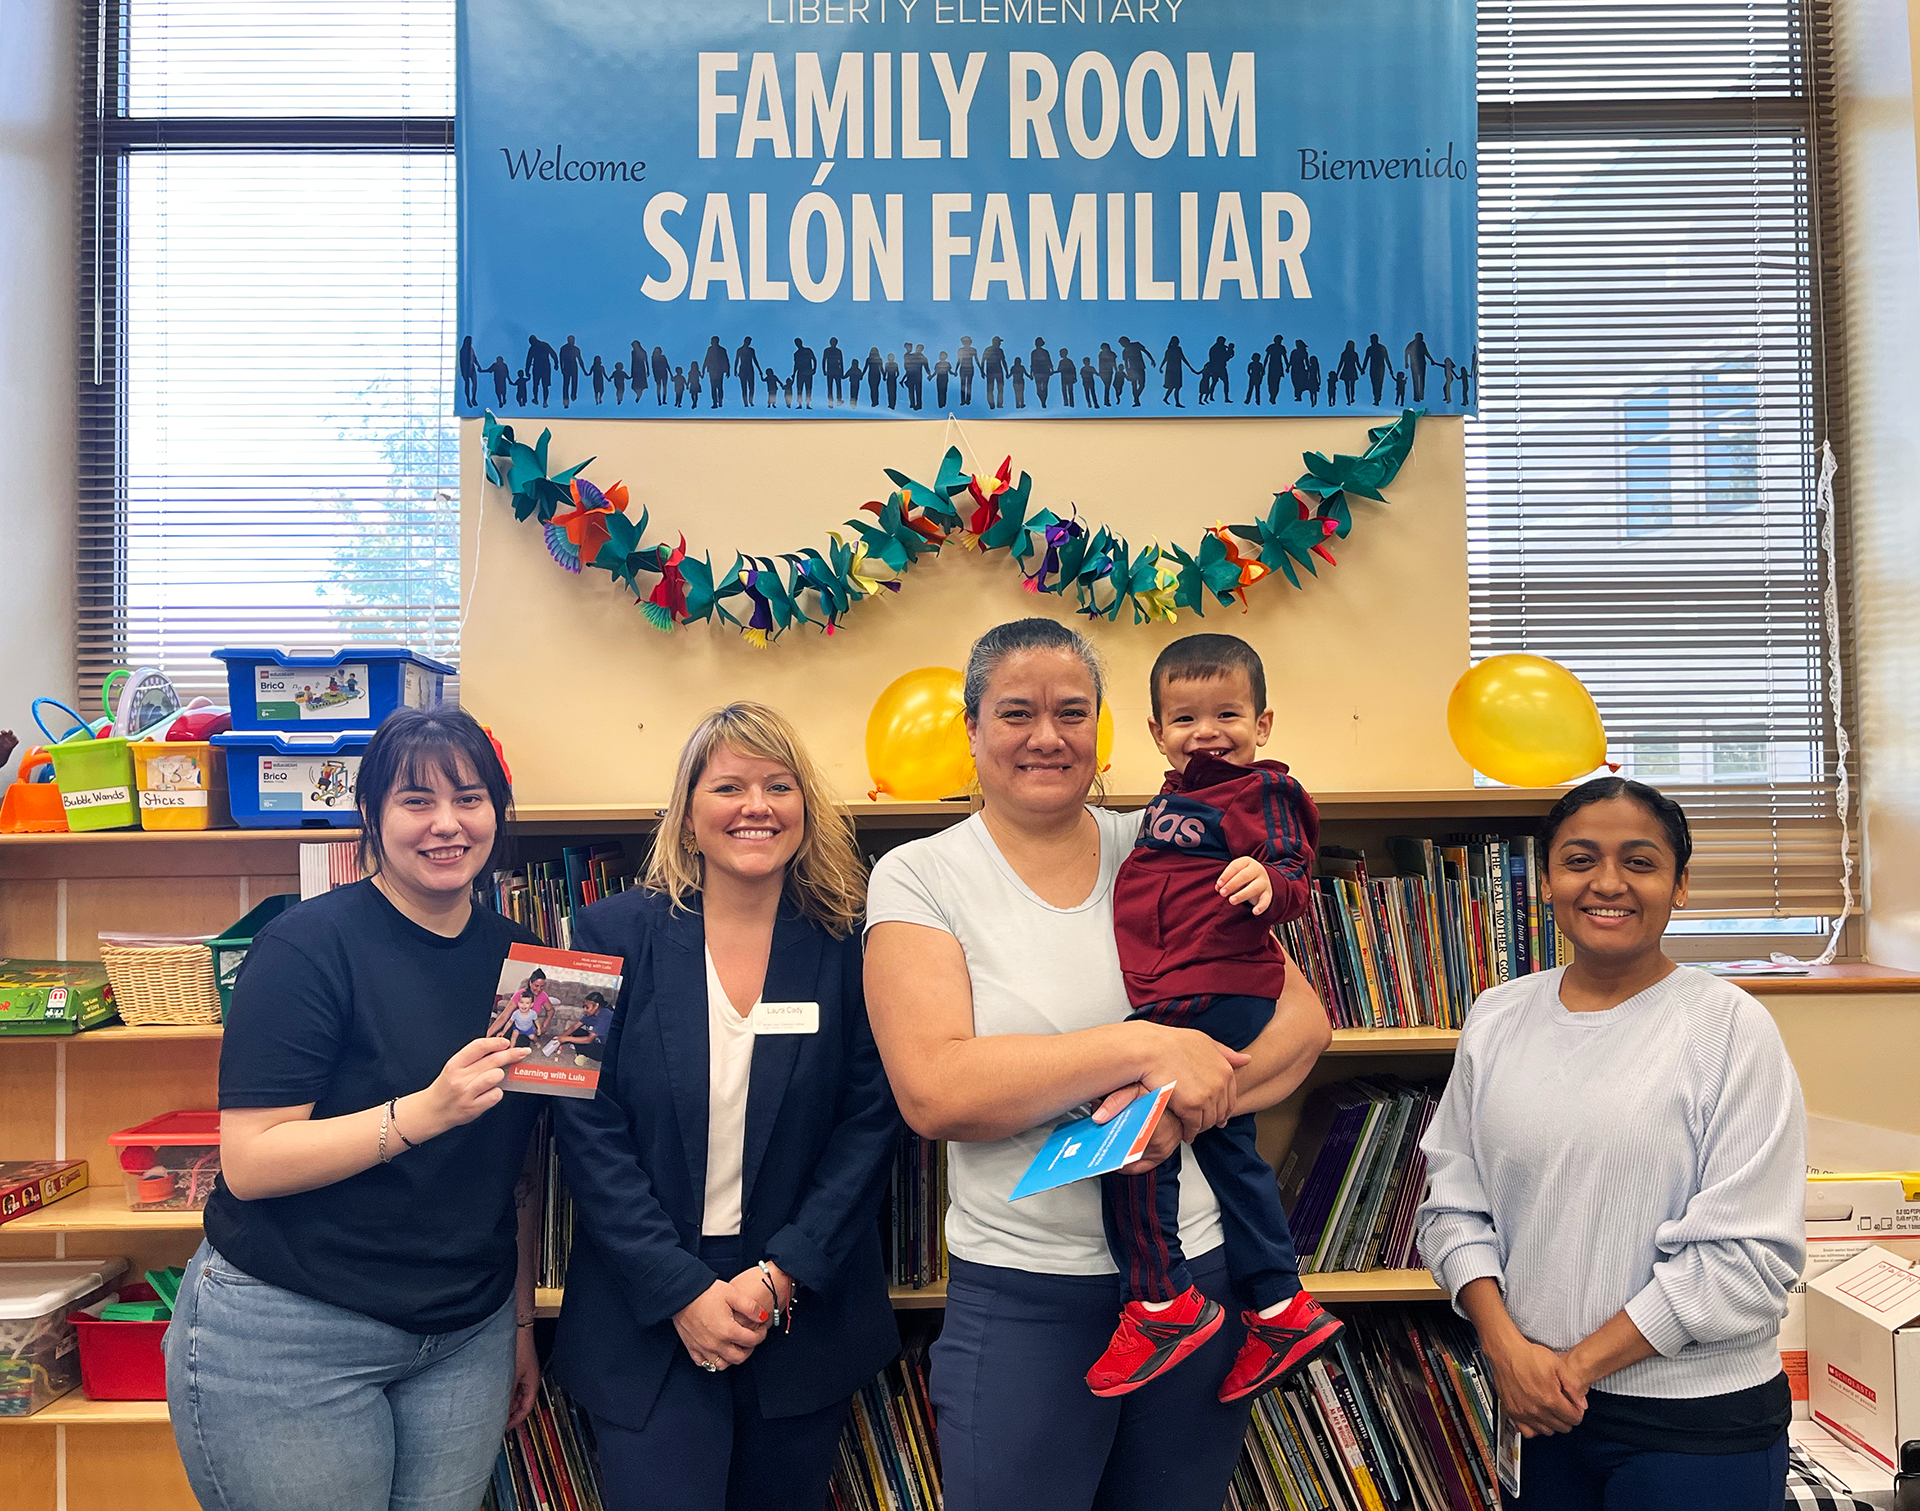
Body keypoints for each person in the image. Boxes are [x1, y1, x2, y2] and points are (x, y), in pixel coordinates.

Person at [864, 618, 1333, 1511]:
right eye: (1016, 713)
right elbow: (937, 1090)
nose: (1047, 736)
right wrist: (1142, 1049)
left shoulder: (1165, 841)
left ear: (1104, 729)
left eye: (1072, 712)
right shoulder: (919, 875)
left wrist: (1163, 1110)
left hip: (1198, 1282)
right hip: (1027, 1293)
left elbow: (1300, 1024)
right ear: (971, 732)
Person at [166, 706, 543, 1511]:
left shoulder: (526, 966)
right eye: (416, 801)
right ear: (370, 815)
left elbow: (511, 1175)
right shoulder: (307, 946)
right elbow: (253, 1161)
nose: (447, 824)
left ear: (497, 813)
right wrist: (423, 1113)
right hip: (293, 1329)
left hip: (463, 1333)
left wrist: (517, 1326)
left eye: (470, 799)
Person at [1416, 777, 1804, 1511]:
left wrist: (1572, 1367)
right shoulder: (1497, 1017)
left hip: (1695, 1426)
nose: (1607, 884)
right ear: (1548, 879)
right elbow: (1451, 1212)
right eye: (1581, 859)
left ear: (1679, 885)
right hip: (1537, 1413)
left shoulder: (1730, 1028)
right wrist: (1507, 1352)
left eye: (1640, 862)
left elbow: (1748, 1261)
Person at [552, 703, 901, 1511]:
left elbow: (872, 1122)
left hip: (800, 1306)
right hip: (642, 1311)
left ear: (805, 809)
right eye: (729, 786)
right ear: (688, 810)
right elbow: (574, 1123)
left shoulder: (859, 940)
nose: (756, 807)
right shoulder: (588, 931)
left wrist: (781, 1277)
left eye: (779, 786)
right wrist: (679, 1289)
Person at [1090, 633, 1341, 1401]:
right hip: (1180, 984)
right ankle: (1279, 1303)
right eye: (1186, 718)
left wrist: (1268, 880)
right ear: (1157, 733)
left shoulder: (1261, 790)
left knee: (1132, 1141)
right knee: (1231, 1146)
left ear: (1262, 724)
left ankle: (1160, 1301)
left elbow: (1297, 872)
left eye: (1228, 713)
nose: (1208, 731)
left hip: (1213, 988)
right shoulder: (1172, 801)